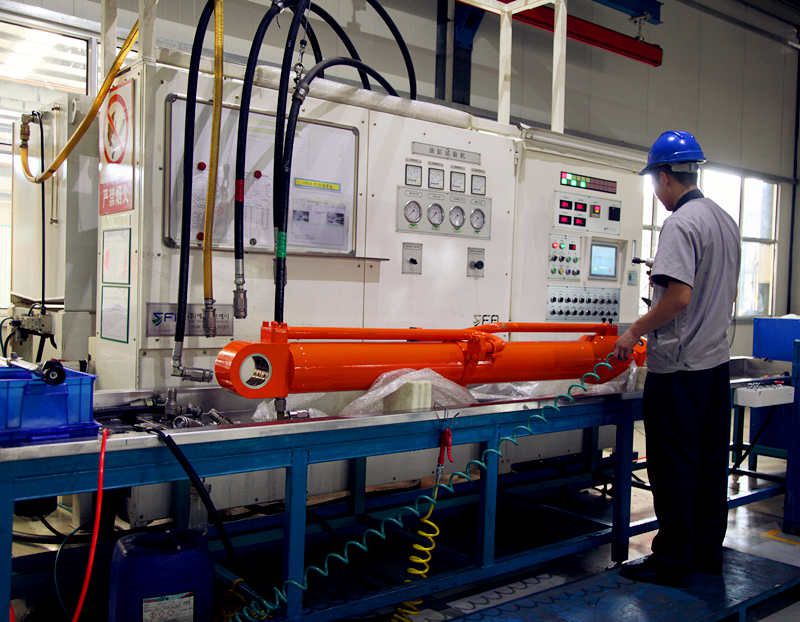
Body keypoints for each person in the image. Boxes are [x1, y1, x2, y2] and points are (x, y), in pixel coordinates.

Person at [613, 130, 741, 587]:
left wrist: (633, 331)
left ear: (665, 176)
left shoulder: (681, 223)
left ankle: (672, 560)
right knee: (708, 463)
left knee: (672, 466)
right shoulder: (724, 220)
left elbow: (679, 298)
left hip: (680, 370)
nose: (656, 189)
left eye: (655, 180)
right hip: (714, 365)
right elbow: (716, 291)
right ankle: (704, 553)